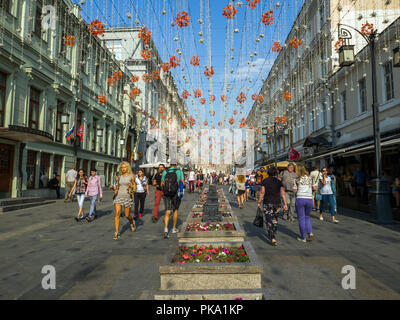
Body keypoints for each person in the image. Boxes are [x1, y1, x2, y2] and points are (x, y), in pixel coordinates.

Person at [258, 167, 288, 246]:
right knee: (275, 218)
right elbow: (283, 193)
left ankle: (272, 237)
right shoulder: (279, 182)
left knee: (268, 219)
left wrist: (259, 201)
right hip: (277, 203)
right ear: (276, 173)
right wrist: (285, 204)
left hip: (267, 203)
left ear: (268, 173)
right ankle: (274, 231)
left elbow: (262, 192)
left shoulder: (265, 181)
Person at [113, 161, 136, 240]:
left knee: (127, 215)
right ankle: (116, 232)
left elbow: (134, 186)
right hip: (119, 196)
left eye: (124, 167)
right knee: (117, 214)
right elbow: (117, 186)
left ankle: (131, 222)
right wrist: (114, 189)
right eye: (122, 167)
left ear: (127, 167)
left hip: (127, 197)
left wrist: (132, 185)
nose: (123, 169)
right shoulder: (119, 176)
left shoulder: (131, 176)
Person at [161, 162, 185, 239]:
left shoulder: (165, 171)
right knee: (175, 210)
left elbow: (162, 183)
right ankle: (174, 228)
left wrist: (164, 191)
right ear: (176, 164)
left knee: (167, 211)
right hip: (176, 193)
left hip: (166, 193)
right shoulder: (179, 171)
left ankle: (165, 229)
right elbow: (183, 183)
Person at [293, 165, 316, 243]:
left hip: (300, 198)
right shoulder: (311, 178)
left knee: (301, 218)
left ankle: (303, 237)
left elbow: (294, 190)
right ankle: (310, 232)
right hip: (309, 199)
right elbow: (315, 188)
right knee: (307, 217)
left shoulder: (296, 179)